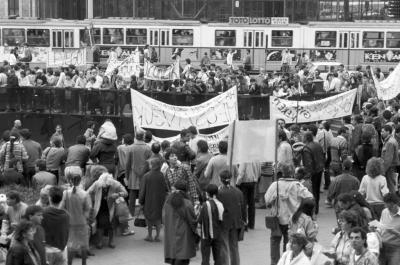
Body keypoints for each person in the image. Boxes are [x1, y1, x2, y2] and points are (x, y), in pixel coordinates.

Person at [264, 163, 313, 265]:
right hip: (293, 219)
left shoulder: (275, 185)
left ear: (281, 173)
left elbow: (267, 200)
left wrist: (274, 202)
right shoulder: (297, 185)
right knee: (290, 244)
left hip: (277, 219)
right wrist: (300, 209)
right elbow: (310, 198)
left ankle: (275, 263)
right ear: (292, 173)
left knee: (275, 242)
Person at [87, 172, 127, 249]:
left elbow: (125, 193)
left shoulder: (115, 183)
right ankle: (100, 241)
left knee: (111, 225)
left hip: (112, 207)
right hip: (100, 206)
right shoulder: (97, 183)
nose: (105, 188)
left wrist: (118, 194)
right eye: (103, 187)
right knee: (100, 225)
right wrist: (90, 201)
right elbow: (88, 192)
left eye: (107, 186)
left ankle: (111, 241)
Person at [61, 167, 91, 265]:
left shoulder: (65, 193)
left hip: (69, 223)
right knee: (83, 245)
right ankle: (83, 263)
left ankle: (69, 263)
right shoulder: (84, 194)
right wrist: (85, 218)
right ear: (80, 180)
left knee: (70, 245)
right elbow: (88, 209)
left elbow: (61, 208)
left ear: (70, 181)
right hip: (82, 222)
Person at [163, 180, 197, 265]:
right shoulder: (187, 203)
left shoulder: (167, 202)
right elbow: (192, 220)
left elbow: (163, 218)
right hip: (184, 235)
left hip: (170, 233)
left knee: (173, 258)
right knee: (182, 258)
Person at [216, 170, 245, 265]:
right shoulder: (238, 192)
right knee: (234, 247)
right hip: (236, 222)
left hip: (224, 222)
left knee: (224, 246)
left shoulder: (219, 193)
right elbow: (243, 208)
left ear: (220, 179)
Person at [139, 158, 168, 242]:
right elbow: (166, 188)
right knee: (158, 219)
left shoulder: (146, 176)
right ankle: (158, 236)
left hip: (149, 200)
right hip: (160, 200)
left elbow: (143, 190)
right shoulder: (161, 175)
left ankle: (150, 235)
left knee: (149, 218)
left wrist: (141, 201)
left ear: (152, 165)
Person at [125, 129, 151, 215]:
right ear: (143, 137)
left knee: (132, 195)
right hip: (144, 174)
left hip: (133, 174)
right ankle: (144, 213)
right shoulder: (147, 148)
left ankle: (131, 214)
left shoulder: (130, 147)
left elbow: (127, 164)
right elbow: (149, 162)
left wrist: (126, 176)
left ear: (135, 136)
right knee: (144, 195)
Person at [41, 186, 70, 265]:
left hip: (47, 250)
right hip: (61, 249)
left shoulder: (42, 213)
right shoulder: (66, 215)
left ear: (49, 198)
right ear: (61, 199)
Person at [198, 184, 224, 265]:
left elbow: (199, 220)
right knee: (218, 257)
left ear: (207, 194)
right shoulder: (220, 204)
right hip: (217, 233)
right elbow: (221, 219)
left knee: (205, 258)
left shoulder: (205, 205)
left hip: (206, 234)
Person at [302, 131, 325, 214]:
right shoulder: (317, 145)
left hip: (313, 172)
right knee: (316, 190)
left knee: (311, 191)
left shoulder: (306, 148)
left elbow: (308, 163)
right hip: (319, 169)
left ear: (306, 138)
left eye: (303, 136)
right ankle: (316, 208)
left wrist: (308, 175)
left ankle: (313, 208)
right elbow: (322, 157)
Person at [236, 161, 261, 230]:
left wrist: (237, 183)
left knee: (243, 203)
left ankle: (244, 223)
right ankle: (251, 224)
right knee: (251, 203)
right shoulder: (256, 159)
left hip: (244, 183)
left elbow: (241, 172)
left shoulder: (244, 159)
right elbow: (259, 171)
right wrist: (256, 178)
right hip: (253, 182)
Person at [379, 193, 400, 265]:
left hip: (396, 248)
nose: (388, 209)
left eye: (390, 207)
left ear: (395, 204)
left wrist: (395, 233)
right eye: (386, 205)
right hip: (382, 246)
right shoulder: (384, 211)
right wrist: (375, 229)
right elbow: (381, 227)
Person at [380, 124, 399, 193]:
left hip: (389, 167)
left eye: (383, 131)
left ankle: (393, 202)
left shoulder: (390, 142)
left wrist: (383, 170)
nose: (381, 133)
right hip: (390, 167)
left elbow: (388, 159)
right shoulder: (390, 140)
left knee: (390, 186)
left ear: (388, 132)